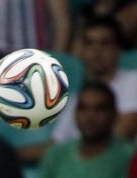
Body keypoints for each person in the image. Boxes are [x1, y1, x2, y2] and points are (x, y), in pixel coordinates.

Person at [50, 14, 137, 144]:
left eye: (104, 43)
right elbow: (53, 147)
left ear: (118, 49)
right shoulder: (77, 97)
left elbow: (121, 135)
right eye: (89, 43)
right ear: (82, 50)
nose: (96, 51)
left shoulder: (133, 80)